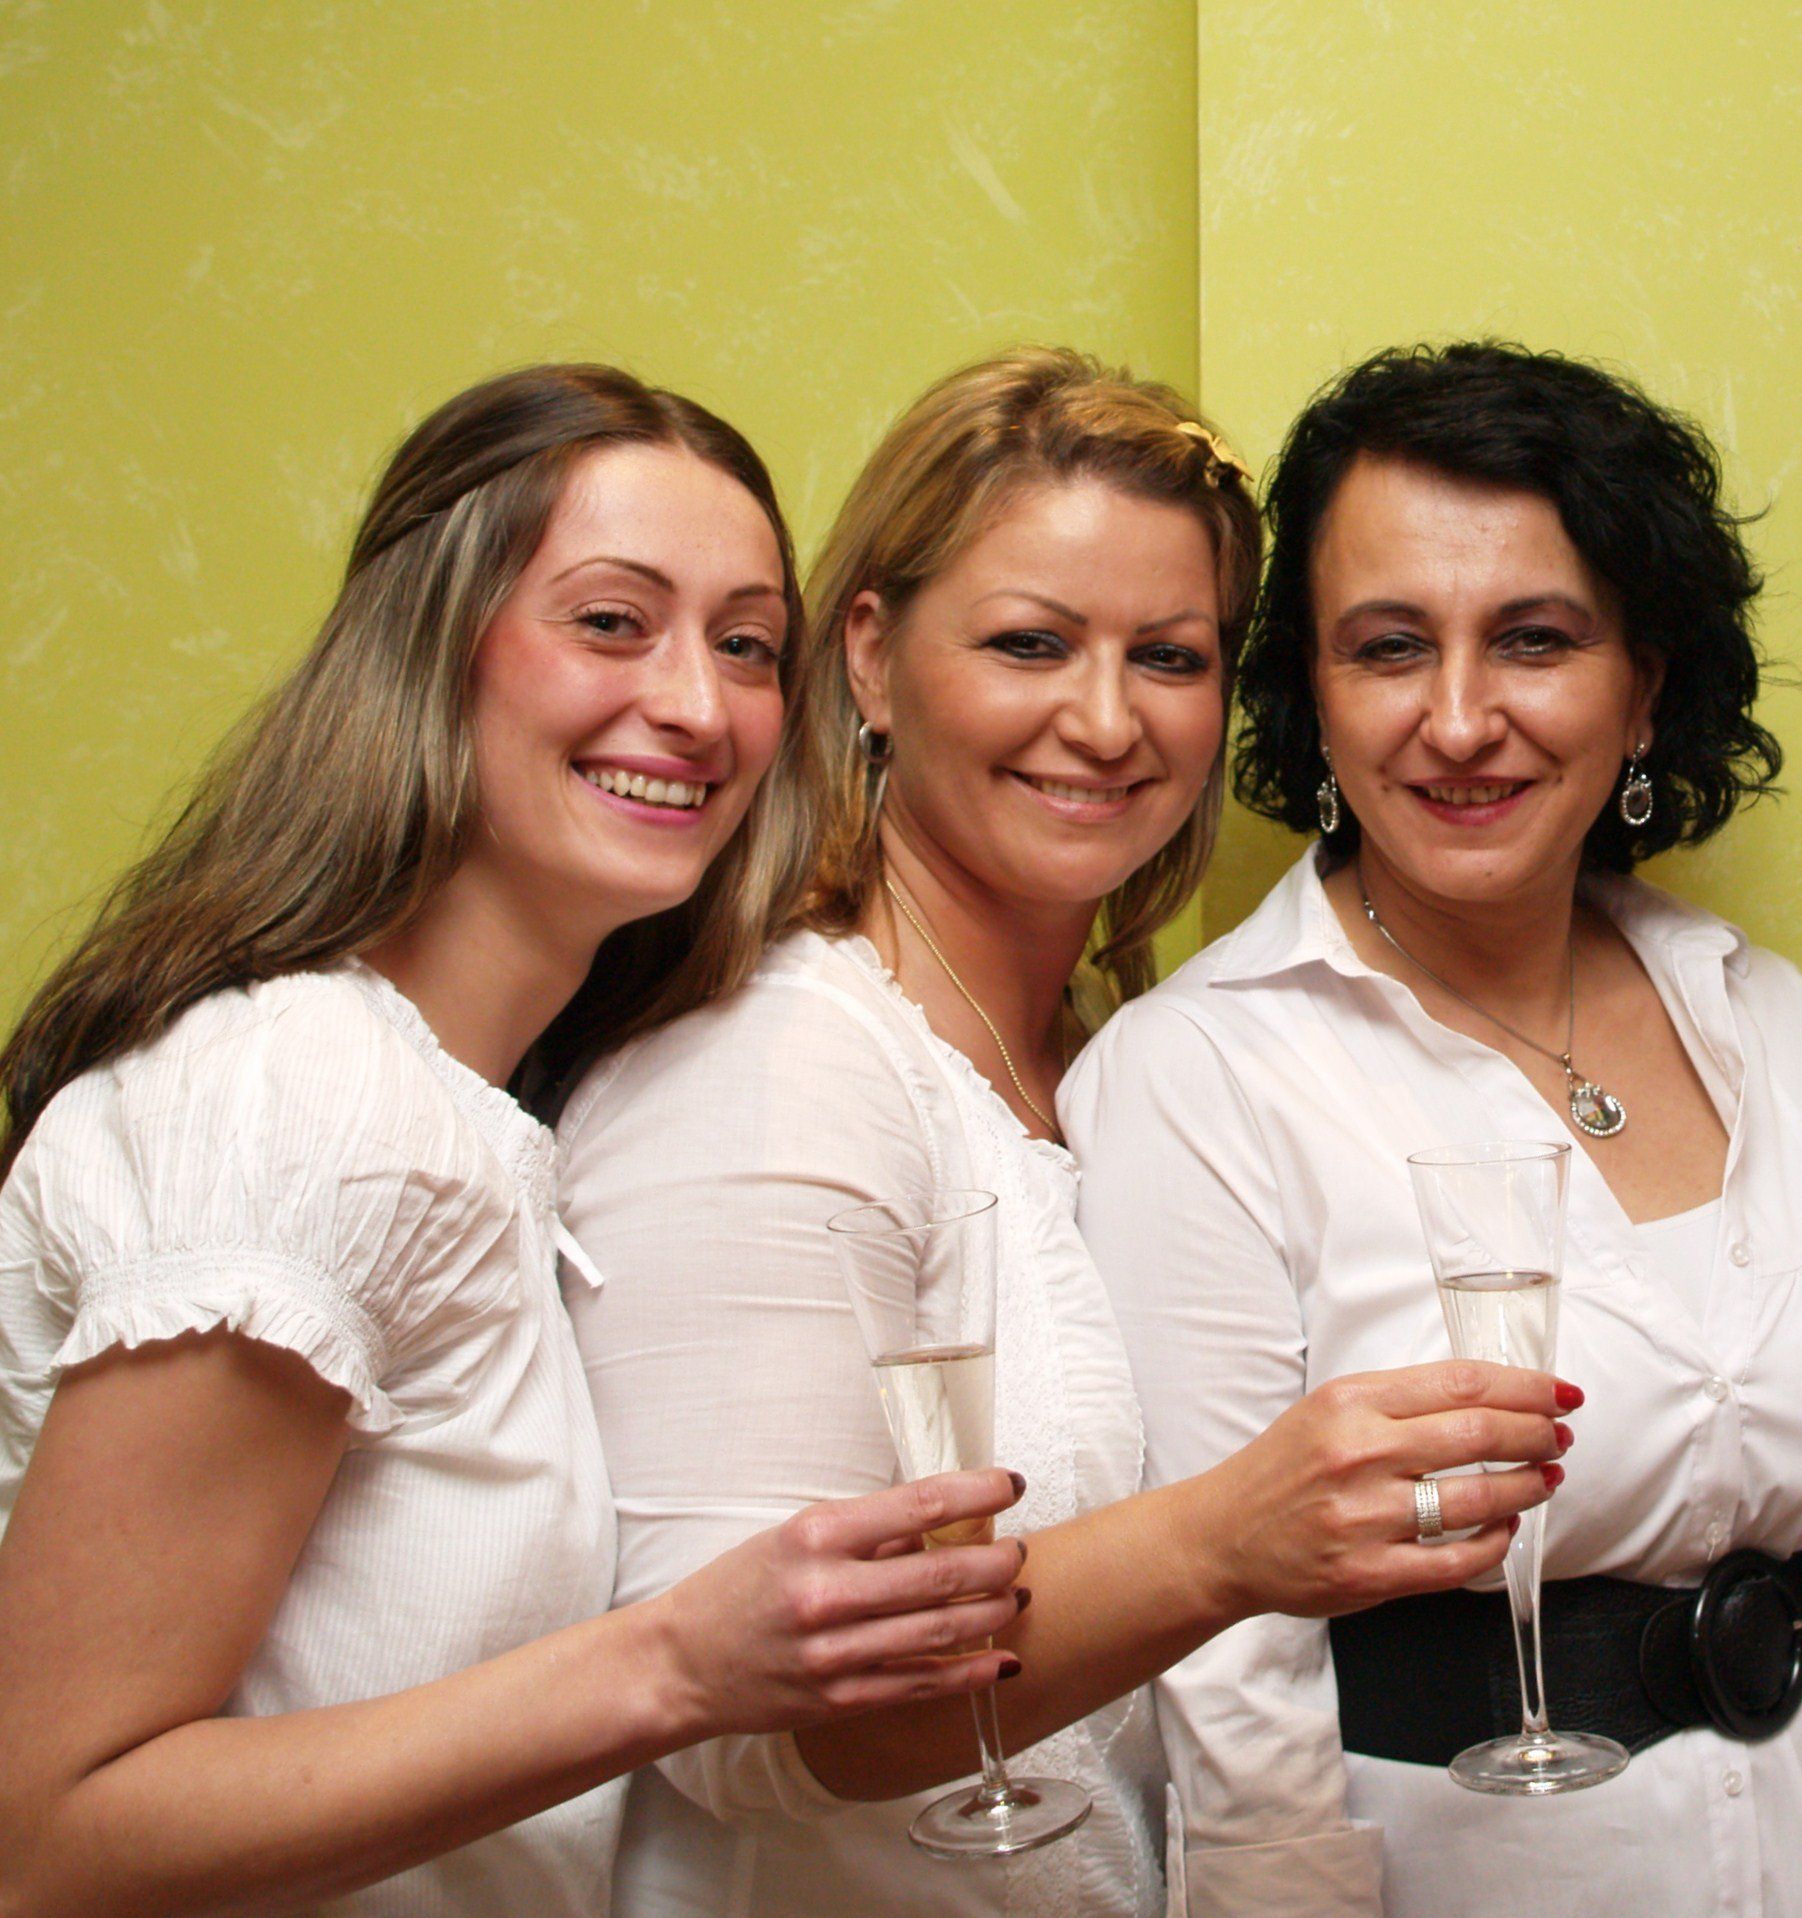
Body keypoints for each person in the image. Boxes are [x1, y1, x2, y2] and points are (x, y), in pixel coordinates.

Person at [0, 365, 1030, 1918]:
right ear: (431, 644)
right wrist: (676, 1660)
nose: (698, 707)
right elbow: (51, 1836)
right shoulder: (306, 1093)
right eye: (612, 621)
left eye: (747, 645)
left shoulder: (483, 1109)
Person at [557, 346, 1570, 1918]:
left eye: (1168, 656)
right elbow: (738, 1726)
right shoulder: (776, 1067)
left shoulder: (1095, 1052)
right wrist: (1225, 1540)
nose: (1105, 722)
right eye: (1032, 642)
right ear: (872, 657)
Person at [1064, 342, 1802, 1918]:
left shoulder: (1761, 1014)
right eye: (1390, 647)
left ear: (1642, 685)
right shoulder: (1203, 1074)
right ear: (1314, 693)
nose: (1459, 719)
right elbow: (1229, 1666)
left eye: (1534, 638)